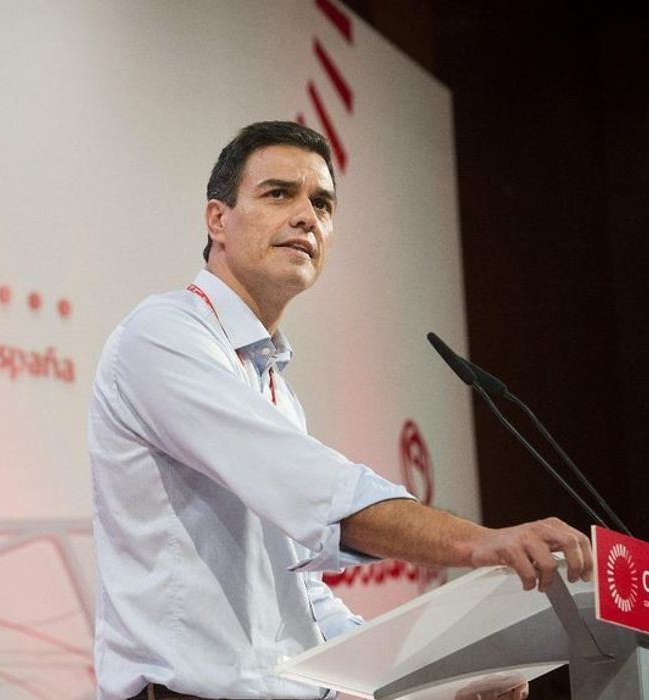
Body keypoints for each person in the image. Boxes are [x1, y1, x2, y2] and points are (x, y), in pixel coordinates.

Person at [87, 121, 592, 700]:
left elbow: (301, 600)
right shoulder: (164, 334)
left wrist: (433, 682)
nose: (307, 216)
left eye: (322, 203)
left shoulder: (274, 388)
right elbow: (314, 490)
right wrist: (477, 542)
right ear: (217, 220)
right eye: (279, 193)